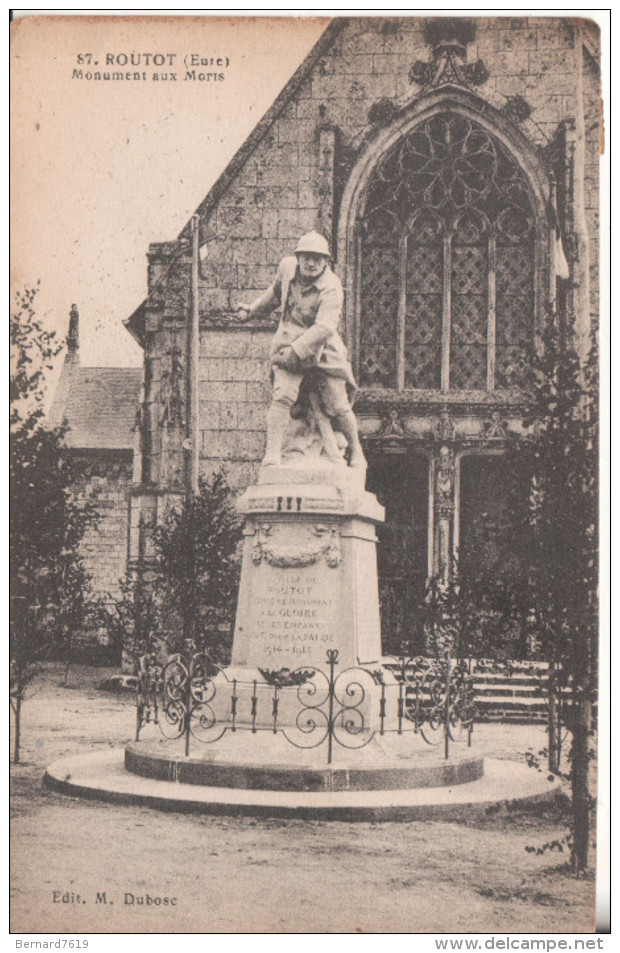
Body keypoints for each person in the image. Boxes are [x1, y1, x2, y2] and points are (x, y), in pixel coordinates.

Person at [237, 232, 366, 470]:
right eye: (306, 256)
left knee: (337, 404)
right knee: (282, 396)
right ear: (298, 257)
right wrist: (253, 310)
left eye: (318, 258)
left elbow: (325, 327)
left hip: (322, 346)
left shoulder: (332, 287)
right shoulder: (287, 269)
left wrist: (297, 351)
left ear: (326, 261)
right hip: (288, 340)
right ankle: (273, 453)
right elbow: (275, 294)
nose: (311, 263)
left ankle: (357, 450)